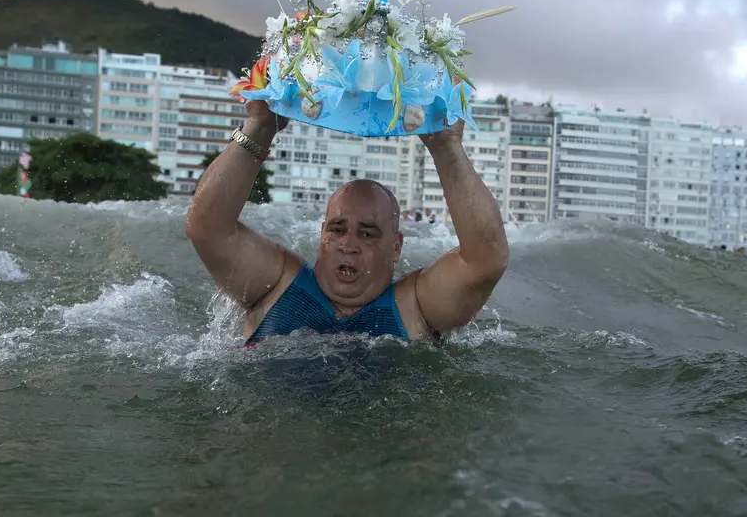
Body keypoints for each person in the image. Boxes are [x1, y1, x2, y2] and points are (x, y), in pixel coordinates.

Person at [185, 100, 508, 344]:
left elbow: (485, 260)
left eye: (368, 234)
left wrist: (447, 148)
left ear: (395, 247)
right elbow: (207, 227)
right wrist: (260, 126)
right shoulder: (277, 285)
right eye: (337, 229)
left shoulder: (416, 307)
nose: (348, 245)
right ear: (322, 232)